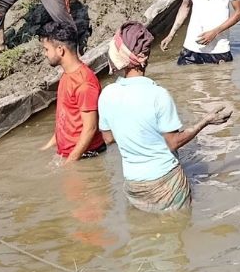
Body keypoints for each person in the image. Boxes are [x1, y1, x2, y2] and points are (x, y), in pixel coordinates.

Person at [98, 21, 232, 213]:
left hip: (134, 185)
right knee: (178, 233)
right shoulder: (158, 94)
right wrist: (205, 121)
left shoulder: (107, 94)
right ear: (146, 56)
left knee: (141, 237)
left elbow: (108, 138)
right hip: (167, 184)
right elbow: (172, 143)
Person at [38, 21, 105, 163]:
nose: (45, 54)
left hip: (85, 157)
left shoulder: (84, 83)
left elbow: (90, 128)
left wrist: (70, 163)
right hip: (71, 155)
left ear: (60, 50)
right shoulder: (67, 75)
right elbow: (66, 119)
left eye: (46, 49)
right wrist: (47, 147)